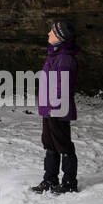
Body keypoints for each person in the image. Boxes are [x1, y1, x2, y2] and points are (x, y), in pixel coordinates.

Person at [30, 19, 79, 194]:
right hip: (49, 109)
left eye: (52, 32)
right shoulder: (55, 56)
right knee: (49, 144)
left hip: (58, 109)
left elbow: (63, 87)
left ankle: (69, 183)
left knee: (63, 145)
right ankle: (50, 179)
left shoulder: (65, 59)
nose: (48, 34)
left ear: (60, 37)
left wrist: (55, 107)